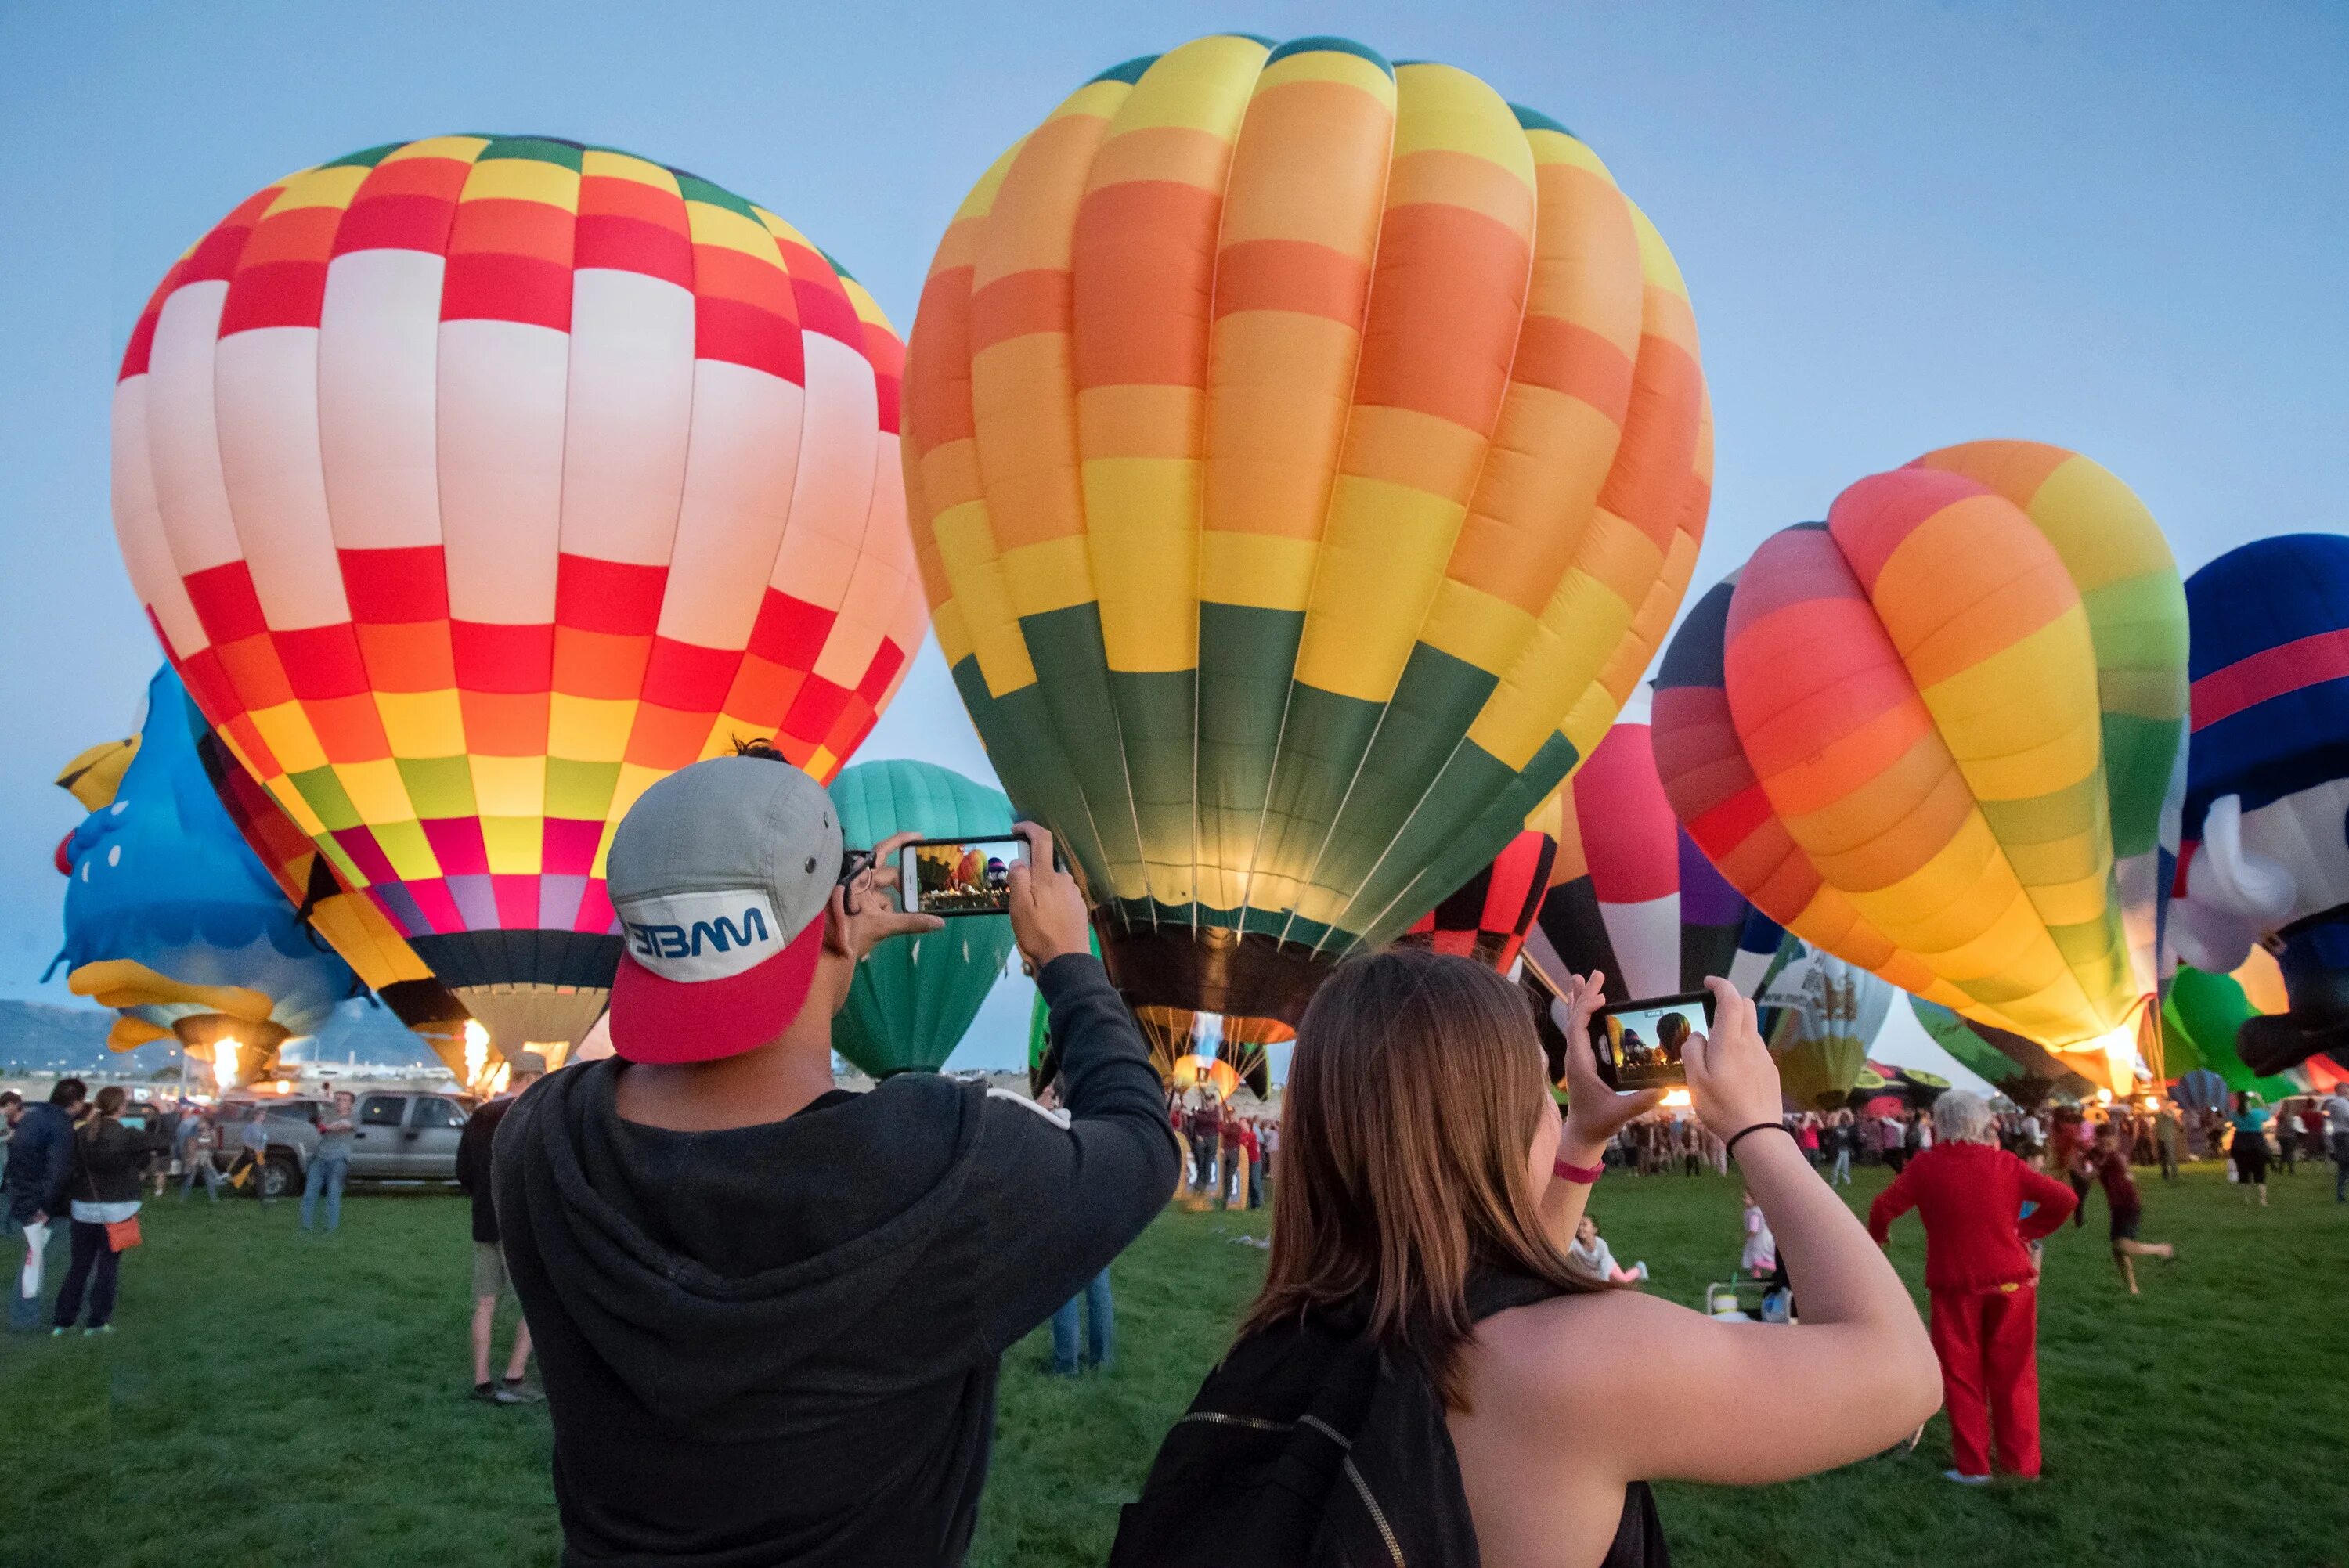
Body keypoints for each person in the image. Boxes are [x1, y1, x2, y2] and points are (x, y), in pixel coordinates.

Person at [493, 755, 1180, 1566]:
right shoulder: (944, 1161)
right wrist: (1069, 962)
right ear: (830, 920)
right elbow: (1140, 1140)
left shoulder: (537, 1142)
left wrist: (822, 936)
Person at [1112, 959, 1938, 1568]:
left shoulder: (1290, 1331)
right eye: (1537, 1089)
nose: (1551, 1102)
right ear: (1498, 1118)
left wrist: (1581, 1137)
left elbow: (1486, 1289)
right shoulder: (1576, 1362)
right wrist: (1760, 1129)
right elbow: (1900, 1369)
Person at [1869, 1089, 2077, 1483]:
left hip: (1955, 1285)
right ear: (1983, 1123)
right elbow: (2064, 1199)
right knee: (2016, 1375)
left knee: (1963, 1375)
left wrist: (1879, 1238)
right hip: (2012, 1282)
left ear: (1939, 1122)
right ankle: (2023, 1466)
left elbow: (1882, 1208)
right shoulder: (2006, 1165)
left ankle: (1974, 1466)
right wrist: (2024, 1232)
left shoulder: (1926, 1167)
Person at [456, 1051, 547, 1404]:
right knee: (535, 1303)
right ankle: (515, 1375)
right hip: (519, 1224)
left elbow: (462, 1172)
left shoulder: (480, 1115)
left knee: (485, 1303)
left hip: (483, 1221)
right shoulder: (532, 1115)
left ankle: (482, 1383)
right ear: (534, 1078)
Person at [52, 1086, 168, 1336]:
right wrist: (166, 1112)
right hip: (117, 1211)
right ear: (121, 1108)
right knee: (107, 1268)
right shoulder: (127, 1136)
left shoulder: (82, 1134)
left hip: (83, 1209)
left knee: (79, 1267)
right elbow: (165, 1141)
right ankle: (96, 1322)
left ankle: (63, 1321)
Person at [5, 1079, 83, 1332]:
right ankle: (26, 1317)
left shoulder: (32, 1119)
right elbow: (58, 1171)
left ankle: (32, 1313)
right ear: (77, 1102)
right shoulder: (60, 1126)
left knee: (37, 1260)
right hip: (45, 1207)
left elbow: (16, 1162)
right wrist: (45, 1208)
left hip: (24, 1198)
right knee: (39, 1261)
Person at [2077, 1122, 2176, 1294]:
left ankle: (2161, 1248)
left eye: (2108, 1144)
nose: (2105, 1148)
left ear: (2116, 1142)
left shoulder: (2115, 1158)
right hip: (2116, 1208)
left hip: (2129, 1206)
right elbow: (2087, 1155)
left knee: (2123, 1245)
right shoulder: (2099, 1154)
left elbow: (2089, 1175)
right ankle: (2132, 1289)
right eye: (2101, 1144)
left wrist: (2074, 1165)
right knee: (2117, 1251)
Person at [300, 1091, 356, 1233]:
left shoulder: (355, 1116)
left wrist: (328, 1127)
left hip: (339, 1160)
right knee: (309, 1194)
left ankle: (330, 1229)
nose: (340, 1102)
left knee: (333, 1194)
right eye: (338, 1099)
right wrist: (323, 1125)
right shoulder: (328, 1114)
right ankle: (305, 1227)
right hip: (320, 1158)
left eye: (344, 1100)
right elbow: (321, 1126)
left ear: (350, 1104)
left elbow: (345, 1125)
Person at [1564, 1214, 1647, 1285]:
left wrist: (1603, 1282)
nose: (1581, 1228)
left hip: (1608, 1265)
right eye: (1579, 1226)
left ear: (1594, 1229)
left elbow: (1604, 1266)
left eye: (1584, 1225)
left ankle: (1639, 1269)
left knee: (1623, 1280)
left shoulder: (1601, 1245)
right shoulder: (1575, 1243)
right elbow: (1565, 1250)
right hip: (1591, 1270)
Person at [2230, 1093, 2273, 1206]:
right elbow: (2268, 1115)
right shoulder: (2257, 1113)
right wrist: (2260, 1099)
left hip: (2239, 1145)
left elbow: (2230, 1120)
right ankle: (2263, 1199)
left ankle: (2247, 1200)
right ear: (2249, 1102)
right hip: (2256, 1144)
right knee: (2260, 1173)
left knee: (2243, 1173)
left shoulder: (2235, 1114)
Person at [176, 1105, 222, 1202]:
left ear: (207, 1124)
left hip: (206, 1158)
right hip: (196, 1157)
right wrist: (190, 1156)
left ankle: (214, 1198)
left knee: (208, 1178)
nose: (200, 1124)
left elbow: (215, 1144)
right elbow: (191, 1144)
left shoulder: (211, 1132)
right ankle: (182, 1198)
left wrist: (205, 1145)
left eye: (202, 1123)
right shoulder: (194, 1132)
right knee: (190, 1178)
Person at [230, 1105, 273, 1200]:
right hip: (251, 1154)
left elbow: (264, 1140)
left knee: (260, 1174)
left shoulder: (262, 1128)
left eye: (264, 1115)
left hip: (260, 1155)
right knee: (240, 1171)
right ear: (256, 1115)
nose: (263, 1117)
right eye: (261, 1115)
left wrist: (262, 1149)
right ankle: (232, 1187)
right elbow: (245, 1140)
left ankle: (261, 1196)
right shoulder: (250, 1127)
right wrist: (254, 1148)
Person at [1740, 1188, 1776, 1279]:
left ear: (1754, 1200)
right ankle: (1758, 1271)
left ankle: (1757, 1275)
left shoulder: (1754, 1214)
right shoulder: (1755, 1210)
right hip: (1762, 1237)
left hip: (1759, 1240)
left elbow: (1754, 1230)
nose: (1744, 1200)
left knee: (1757, 1256)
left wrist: (1747, 1236)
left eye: (1746, 1198)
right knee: (1759, 1255)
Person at [2326, 1082, 2349, 1205]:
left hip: (2337, 1134)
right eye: (2346, 1088)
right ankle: (2341, 1195)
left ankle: (2340, 1195)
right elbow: (2347, 1117)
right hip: (2346, 1134)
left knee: (2343, 1167)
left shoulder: (2332, 1103)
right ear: (2341, 1090)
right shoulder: (2343, 1103)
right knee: (2346, 1165)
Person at [2152, 1101, 2181, 1182]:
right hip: (2160, 1138)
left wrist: (2164, 1111)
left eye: (2161, 1105)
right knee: (2162, 1157)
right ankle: (2165, 1173)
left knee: (2171, 1155)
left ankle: (2174, 1172)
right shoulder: (2158, 1114)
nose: (2160, 1106)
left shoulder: (2170, 1113)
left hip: (2168, 1138)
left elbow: (2171, 1117)